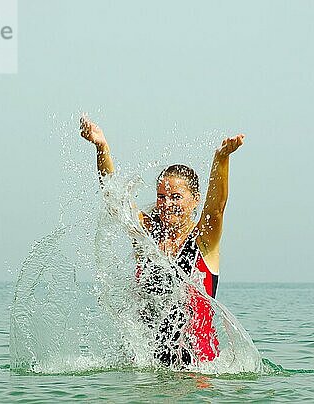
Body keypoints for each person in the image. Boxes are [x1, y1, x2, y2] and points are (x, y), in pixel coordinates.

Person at [80, 115, 244, 368]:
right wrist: (102, 148)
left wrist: (221, 159)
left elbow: (216, 209)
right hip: (149, 367)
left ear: (195, 199)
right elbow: (115, 201)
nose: (167, 204)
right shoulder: (146, 237)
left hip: (199, 371)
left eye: (176, 197)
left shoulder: (203, 241)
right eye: (162, 197)